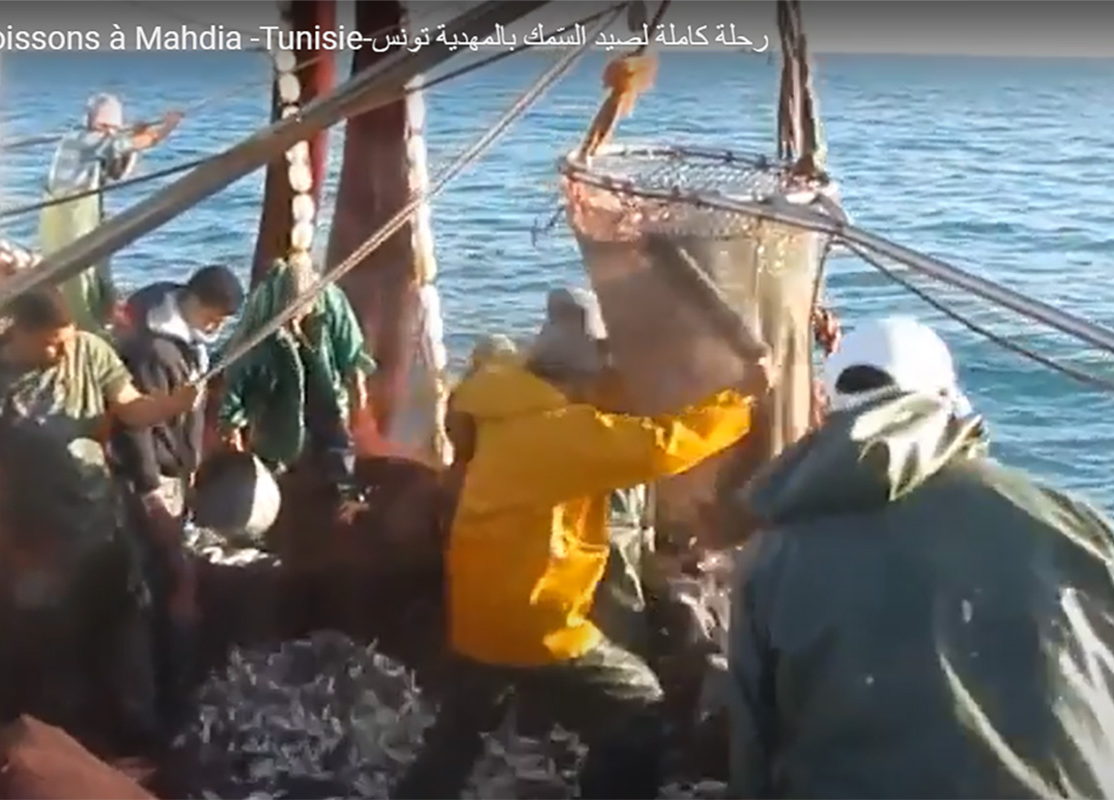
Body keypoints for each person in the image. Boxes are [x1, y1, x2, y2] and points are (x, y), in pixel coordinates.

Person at [394, 286, 770, 800]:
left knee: (463, 731)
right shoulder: (562, 431)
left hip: (479, 612)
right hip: (537, 621)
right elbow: (661, 447)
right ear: (578, 377)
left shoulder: (501, 403)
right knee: (642, 706)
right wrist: (739, 403)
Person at [728, 315, 1114, 799]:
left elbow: (752, 754)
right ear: (949, 400)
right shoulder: (1074, 523)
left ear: (827, 413)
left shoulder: (770, 560)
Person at [0, 288, 200, 755]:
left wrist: (171, 405)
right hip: (33, 541)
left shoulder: (88, 350)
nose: (63, 351)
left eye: (67, 339)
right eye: (50, 343)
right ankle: (64, 741)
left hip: (101, 526)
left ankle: (138, 725)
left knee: (127, 625)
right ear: (18, 332)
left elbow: (129, 406)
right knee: (53, 645)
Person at [108, 264, 244, 730]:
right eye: (217, 318)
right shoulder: (155, 351)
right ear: (198, 303)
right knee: (157, 588)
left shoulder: (180, 331)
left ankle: (168, 688)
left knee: (167, 581)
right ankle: (155, 703)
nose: (218, 328)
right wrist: (150, 493)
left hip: (175, 475)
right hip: (155, 479)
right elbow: (137, 426)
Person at [218, 258, 375, 528]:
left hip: (322, 380)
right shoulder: (262, 311)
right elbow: (238, 368)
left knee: (337, 440)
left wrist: (358, 385)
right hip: (277, 388)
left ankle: (346, 498)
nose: (296, 319)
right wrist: (231, 421)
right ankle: (273, 508)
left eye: (303, 311)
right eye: (291, 313)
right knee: (277, 447)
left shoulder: (332, 300)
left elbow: (350, 345)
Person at [39, 94, 182, 336]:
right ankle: (84, 334)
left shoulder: (99, 145)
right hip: (67, 225)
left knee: (100, 276)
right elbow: (137, 143)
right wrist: (167, 127)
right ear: (89, 122)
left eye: (113, 128)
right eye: (102, 127)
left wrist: (135, 138)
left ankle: (107, 320)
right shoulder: (80, 140)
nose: (107, 133)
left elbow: (118, 172)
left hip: (87, 222)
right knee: (77, 284)